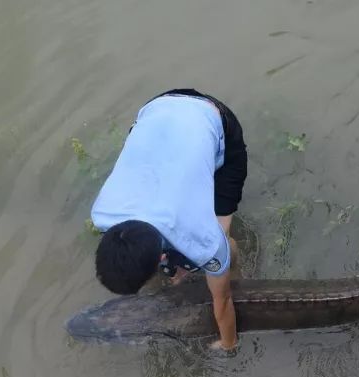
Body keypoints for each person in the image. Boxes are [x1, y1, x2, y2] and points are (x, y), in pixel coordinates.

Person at [90, 89, 247, 351]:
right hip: (156, 108)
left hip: (211, 117)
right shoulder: (103, 214)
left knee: (225, 245)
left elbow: (223, 300)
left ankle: (239, 272)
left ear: (159, 257)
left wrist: (228, 343)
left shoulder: (204, 241)